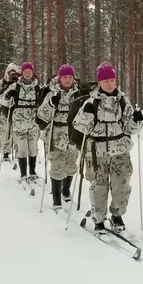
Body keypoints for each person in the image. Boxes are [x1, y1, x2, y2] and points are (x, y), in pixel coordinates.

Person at [72, 62, 143, 233]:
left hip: (120, 152)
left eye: (112, 80)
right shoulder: (91, 102)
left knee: (122, 186)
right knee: (99, 187)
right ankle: (98, 220)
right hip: (97, 152)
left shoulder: (123, 102)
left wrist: (137, 120)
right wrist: (85, 114)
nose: (110, 83)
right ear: (99, 83)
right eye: (106, 80)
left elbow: (132, 129)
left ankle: (117, 215)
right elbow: (79, 126)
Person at [36, 64, 82, 210]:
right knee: (56, 166)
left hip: (72, 134)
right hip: (55, 134)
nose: (68, 80)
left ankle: (66, 190)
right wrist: (50, 104)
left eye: (70, 77)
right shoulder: (52, 93)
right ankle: (56, 199)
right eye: (65, 77)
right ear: (60, 78)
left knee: (70, 165)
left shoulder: (79, 94)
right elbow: (41, 115)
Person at [4, 62, 41, 181]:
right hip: (19, 122)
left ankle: (33, 171)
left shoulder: (37, 87)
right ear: (22, 73)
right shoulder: (15, 86)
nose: (28, 74)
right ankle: (23, 173)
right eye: (25, 72)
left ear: (32, 73)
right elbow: (3, 100)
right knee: (22, 149)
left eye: (30, 72)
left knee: (33, 148)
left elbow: (42, 103)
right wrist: (8, 97)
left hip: (33, 122)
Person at [0, 63, 20, 163]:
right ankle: (5, 152)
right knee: (5, 132)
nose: (12, 75)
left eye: (14, 73)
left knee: (17, 133)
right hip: (5, 110)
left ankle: (18, 153)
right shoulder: (2, 82)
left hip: (17, 111)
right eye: (10, 73)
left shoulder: (19, 82)